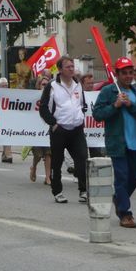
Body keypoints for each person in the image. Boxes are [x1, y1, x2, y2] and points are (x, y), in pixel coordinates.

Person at [92, 57, 136, 228]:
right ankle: (125, 214)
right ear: (117, 74)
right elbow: (97, 114)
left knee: (135, 177)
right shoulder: (108, 92)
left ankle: (119, 198)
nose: (128, 76)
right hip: (117, 144)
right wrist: (116, 105)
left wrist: (130, 105)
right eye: (124, 73)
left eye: (130, 73)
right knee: (122, 177)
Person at [38, 55, 89, 204]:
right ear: (60, 70)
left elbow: (82, 104)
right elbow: (43, 108)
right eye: (68, 67)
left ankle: (83, 190)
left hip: (76, 129)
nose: (71, 69)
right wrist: (53, 123)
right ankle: (57, 191)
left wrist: (80, 116)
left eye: (73, 66)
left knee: (82, 159)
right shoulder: (52, 86)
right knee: (57, 162)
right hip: (59, 130)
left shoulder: (77, 84)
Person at [30, 74, 52, 185]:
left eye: (47, 85)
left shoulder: (52, 96)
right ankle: (33, 167)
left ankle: (48, 177)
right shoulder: (33, 97)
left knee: (48, 153)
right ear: (39, 86)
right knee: (38, 155)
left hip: (47, 129)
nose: (45, 86)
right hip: (36, 131)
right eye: (43, 84)